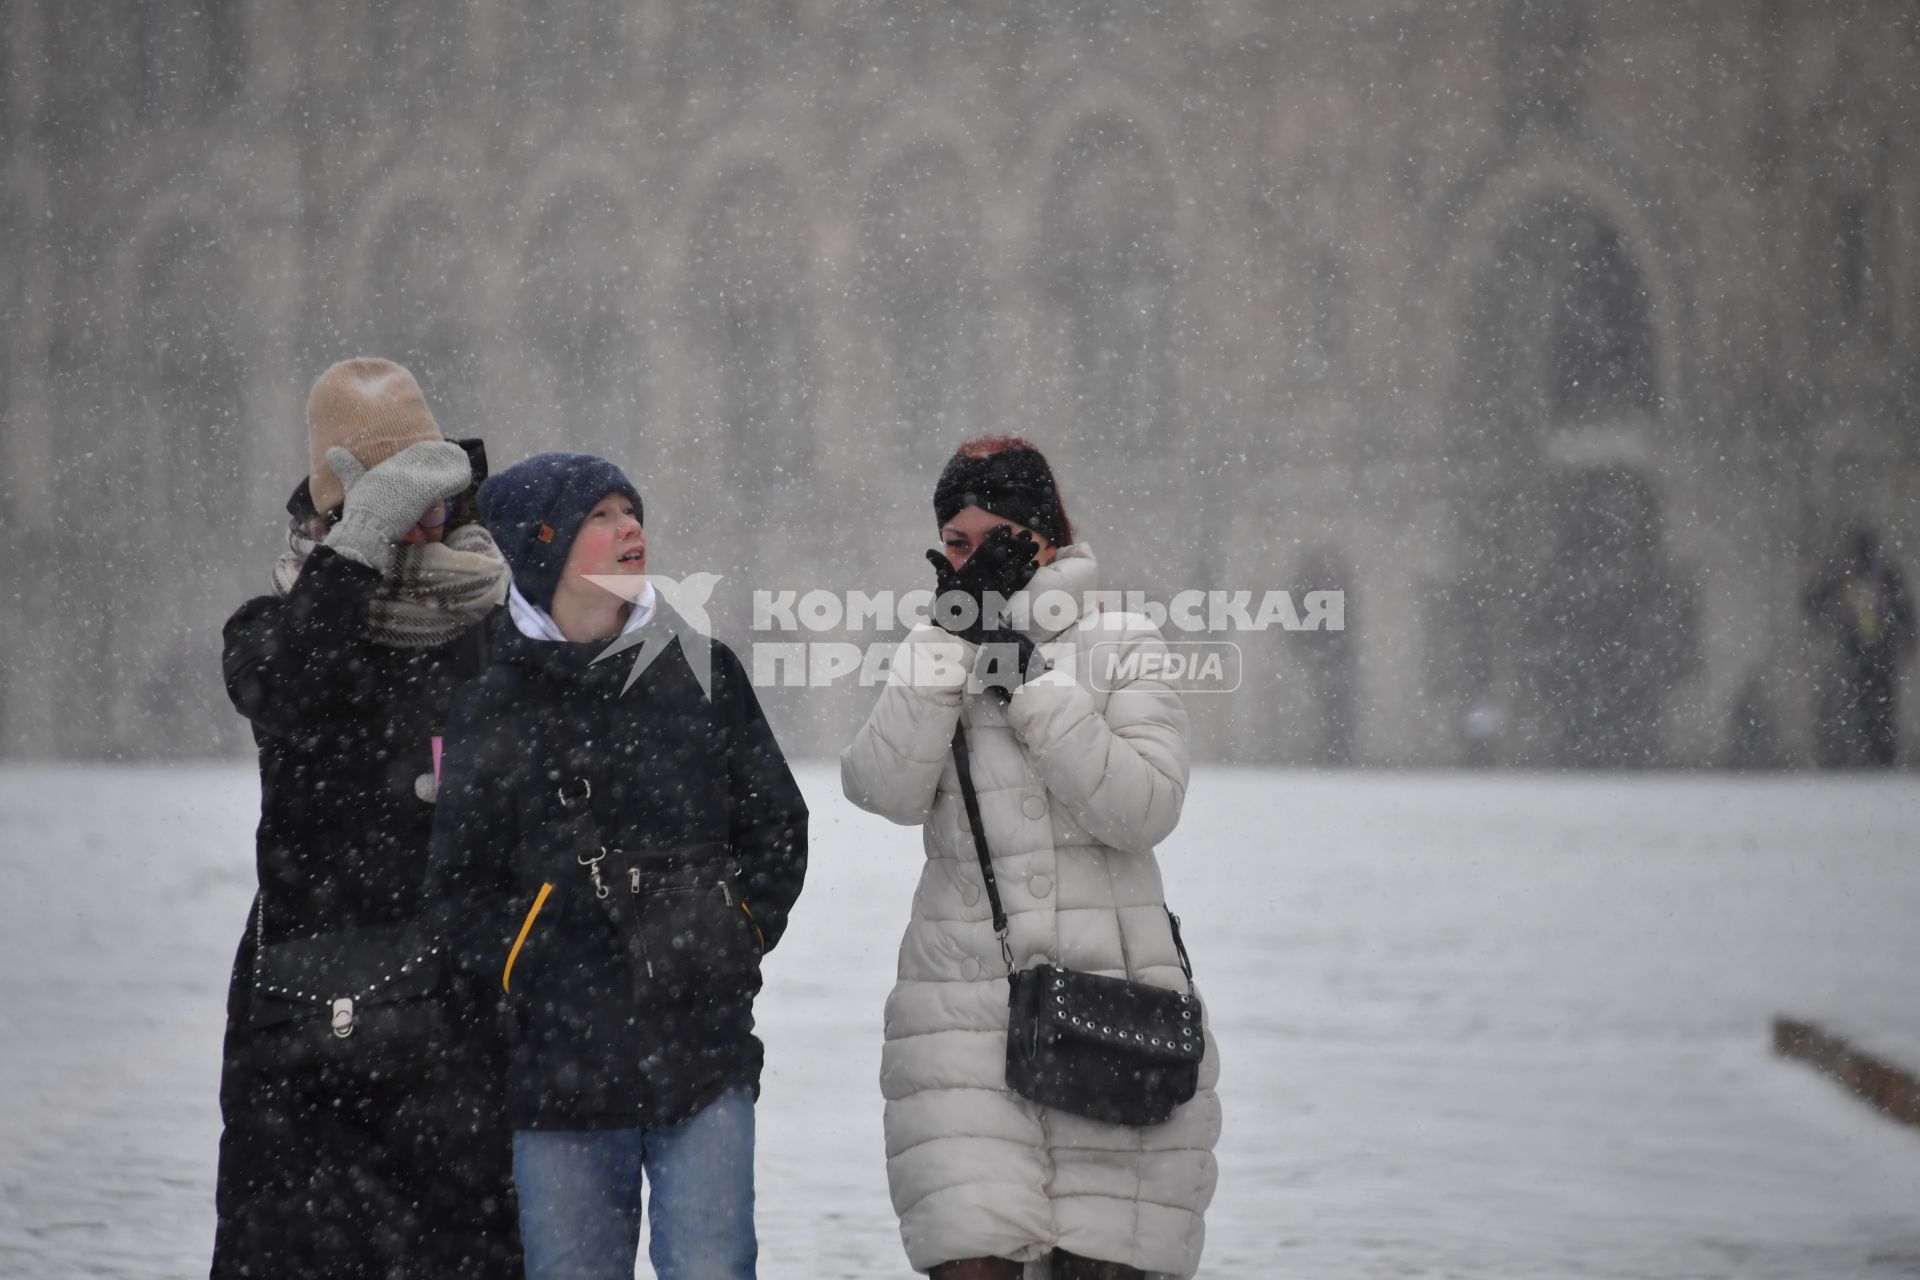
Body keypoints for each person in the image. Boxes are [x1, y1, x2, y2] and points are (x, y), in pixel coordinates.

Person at [840, 437, 1220, 1280]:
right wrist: (950, 641)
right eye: (958, 544)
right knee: (972, 1258)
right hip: (962, 1022)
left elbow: (1143, 808)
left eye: (998, 538)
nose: (975, 560)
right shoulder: (931, 648)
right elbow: (879, 787)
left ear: (1045, 537)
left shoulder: (1123, 640)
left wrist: (1027, 681)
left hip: (1117, 1006)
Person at [425, 451, 808, 1280]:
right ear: (543, 546)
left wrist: (732, 936)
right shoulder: (489, 700)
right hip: (555, 1079)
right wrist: (528, 968)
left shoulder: (705, 672)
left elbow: (778, 828)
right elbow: (458, 892)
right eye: (599, 515)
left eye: (630, 510)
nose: (629, 527)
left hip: (703, 1057)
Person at [212, 358, 521, 1280]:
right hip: (308, 1026)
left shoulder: (502, 627)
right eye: (393, 500)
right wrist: (363, 547)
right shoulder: (271, 628)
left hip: (465, 1022)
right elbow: (288, 688)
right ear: (341, 510)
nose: (425, 521)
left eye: (433, 495)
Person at [1806, 524, 1915, 766]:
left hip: (1869, 649)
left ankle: (1877, 756)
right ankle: (1874, 755)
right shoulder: (1864, 573)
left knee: (1872, 704)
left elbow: (1814, 599)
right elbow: (1815, 599)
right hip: (1864, 648)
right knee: (1871, 705)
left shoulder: (1861, 573)